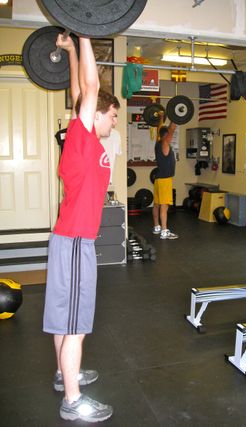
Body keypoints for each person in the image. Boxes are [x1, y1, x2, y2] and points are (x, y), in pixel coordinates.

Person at [43, 33, 120, 423]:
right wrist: (86, 31)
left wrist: (73, 50)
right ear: (99, 114)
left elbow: (78, 89)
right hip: (74, 241)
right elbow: (89, 88)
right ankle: (72, 400)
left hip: (68, 238)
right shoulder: (85, 135)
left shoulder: (78, 132)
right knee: (75, 323)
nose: (114, 122)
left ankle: (63, 373)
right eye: (114, 116)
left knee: (64, 316)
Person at [152, 118, 178, 239]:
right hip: (165, 180)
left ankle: (157, 227)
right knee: (164, 205)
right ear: (165, 136)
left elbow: (164, 130)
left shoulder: (158, 144)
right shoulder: (164, 144)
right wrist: (176, 119)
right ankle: (164, 231)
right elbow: (171, 130)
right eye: (168, 135)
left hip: (158, 179)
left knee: (156, 204)